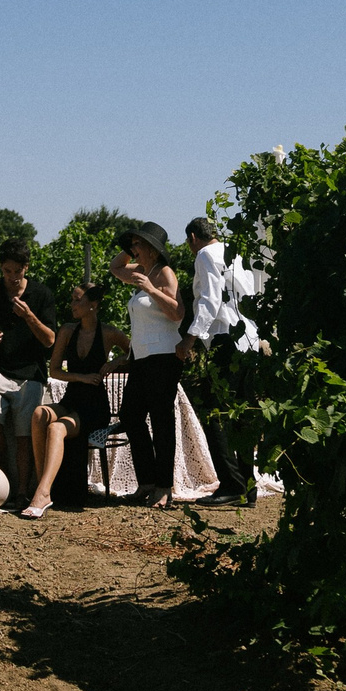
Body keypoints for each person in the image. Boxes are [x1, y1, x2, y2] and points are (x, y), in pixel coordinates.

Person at [19, 281, 127, 520]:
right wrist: (81, 376)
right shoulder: (68, 330)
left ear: (93, 305)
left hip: (94, 406)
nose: (72, 304)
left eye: (78, 300)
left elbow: (134, 352)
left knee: (57, 428)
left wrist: (116, 362)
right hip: (72, 398)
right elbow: (55, 371)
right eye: (72, 299)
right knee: (39, 414)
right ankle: (44, 486)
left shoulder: (109, 332)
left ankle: (42, 494)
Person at [0, 238, 57, 502]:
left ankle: (20, 492)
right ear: (1, 268)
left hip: (30, 373)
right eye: (7, 271)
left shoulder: (41, 295)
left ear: (26, 268)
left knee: (24, 434)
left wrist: (29, 316)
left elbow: (50, 340)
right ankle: (3, 482)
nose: (13, 277)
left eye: (17, 271)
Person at [181, 216, 261, 503]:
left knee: (217, 413)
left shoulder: (204, 254)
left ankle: (231, 484)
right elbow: (250, 292)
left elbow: (210, 299)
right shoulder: (235, 253)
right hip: (247, 338)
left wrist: (190, 337)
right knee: (243, 414)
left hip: (226, 339)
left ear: (193, 237)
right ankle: (248, 485)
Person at [109, 220, 186, 508]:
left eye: (138, 244)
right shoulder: (140, 270)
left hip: (164, 357)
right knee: (130, 416)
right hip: (141, 357)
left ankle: (164, 487)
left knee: (161, 421)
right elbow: (114, 269)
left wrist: (152, 290)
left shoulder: (164, 273)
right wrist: (127, 250)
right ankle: (147, 481)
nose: (133, 249)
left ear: (152, 249)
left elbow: (177, 312)